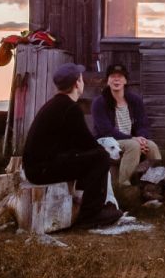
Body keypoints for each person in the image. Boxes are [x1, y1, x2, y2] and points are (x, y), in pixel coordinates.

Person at [22, 63, 124, 230]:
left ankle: (84, 204)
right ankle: (91, 214)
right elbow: (88, 144)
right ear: (77, 83)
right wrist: (104, 153)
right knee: (100, 157)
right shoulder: (69, 108)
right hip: (41, 170)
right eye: (81, 79)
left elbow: (77, 144)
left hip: (37, 169)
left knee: (92, 157)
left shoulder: (57, 105)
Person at [90, 64, 162, 192]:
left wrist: (142, 139)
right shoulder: (100, 103)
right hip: (107, 141)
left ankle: (155, 183)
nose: (116, 79)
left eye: (120, 77)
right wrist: (133, 139)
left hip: (131, 139)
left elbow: (143, 124)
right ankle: (124, 187)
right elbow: (106, 130)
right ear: (108, 80)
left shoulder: (135, 100)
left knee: (152, 146)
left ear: (125, 81)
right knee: (133, 146)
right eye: (113, 76)